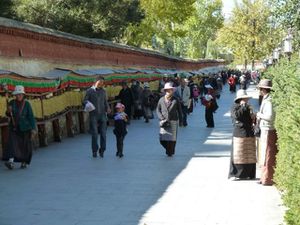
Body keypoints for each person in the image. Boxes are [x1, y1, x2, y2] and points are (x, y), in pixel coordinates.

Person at [4, 85, 36, 170]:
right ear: (15, 95)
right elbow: (7, 114)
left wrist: (33, 129)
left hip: (25, 128)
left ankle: (24, 162)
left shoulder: (27, 104)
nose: (19, 96)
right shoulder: (11, 103)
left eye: (20, 94)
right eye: (17, 94)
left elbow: (31, 117)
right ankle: (11, 161)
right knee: (12, 144)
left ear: (23, 95)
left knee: (25, 146)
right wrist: (8, 110)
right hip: (14, 127)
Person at [229, 89, 256, 180]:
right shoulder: (234, 107)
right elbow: (237, 116)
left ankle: (249, 173)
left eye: (246, 99)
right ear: (240, 99)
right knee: (238, 153)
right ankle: (236, 174)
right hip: (239, 132)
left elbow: (251, 118)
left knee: (249, 153)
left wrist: (254, 117)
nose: (246, 100)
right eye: (244, 98)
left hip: (249, 132)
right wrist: (243, 106)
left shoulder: (249, 107)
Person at [257, 79, 277, 185]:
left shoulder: (269, 101)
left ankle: (267, 178)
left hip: (268, 129)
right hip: (266, 129)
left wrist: (259, 115)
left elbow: (269, 116)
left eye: (260, 88)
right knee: (264, 154)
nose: (259, 90)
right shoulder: (266, 99)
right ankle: (264, 177)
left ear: (264, 89)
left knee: (268, 153)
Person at [83, 76, 111, 158]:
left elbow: (105, 101)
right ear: (95, 82)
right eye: (100, 82)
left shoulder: (103, 91)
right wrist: (87, 104)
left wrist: (108, 107)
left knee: (103, 134)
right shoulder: (89, 91)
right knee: (94, 134)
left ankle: (102, 150)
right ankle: (94, 150)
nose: (101, 84)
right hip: (93, 115)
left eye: (102, 83)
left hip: (102, 115)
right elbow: (84, 100)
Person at [157, 82, 183, 157]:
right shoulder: (161, 100)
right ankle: (169, 149)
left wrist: (181, 121)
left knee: (172, 139)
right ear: (165, 91)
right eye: (167, 90)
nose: (169, 92)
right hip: (164, 121)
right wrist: (161, 118)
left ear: (172, 91)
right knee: (162, 139)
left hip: (173, 120)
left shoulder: (175, 99)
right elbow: (157, 110)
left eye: (170, 90)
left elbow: (179, 111)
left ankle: (170, 152)